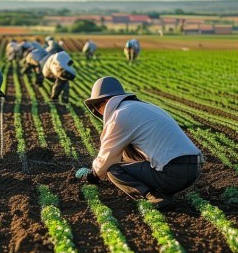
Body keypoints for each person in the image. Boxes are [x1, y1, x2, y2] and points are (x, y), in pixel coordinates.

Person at [75, 76, 204, 210]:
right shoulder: (142, 107)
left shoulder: (119, 115)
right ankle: (162, 189)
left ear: (106, 101)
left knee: (114, 170)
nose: (98, 111)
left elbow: (107, 158)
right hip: (194, 169)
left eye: (97, 106)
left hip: (173, 173)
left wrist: (93, 175)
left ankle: (156, 196)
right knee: (126, 152)